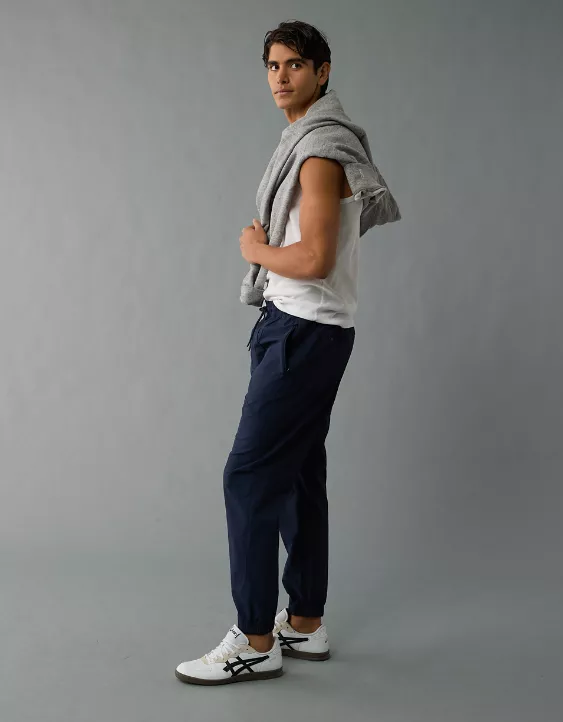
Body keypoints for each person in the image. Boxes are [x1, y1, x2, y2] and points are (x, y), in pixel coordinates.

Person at [176, 20, 371, 686]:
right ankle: (305, 623)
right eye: (272, 65)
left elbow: (314, 258)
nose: (281, 77)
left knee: (249, 478)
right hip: (301, 328)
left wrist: (256, 250)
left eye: (294, 64)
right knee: (296, 473)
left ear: (322, 71)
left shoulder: (318, 153)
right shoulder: (312, 141)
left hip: (302, 330)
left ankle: (255, 639)